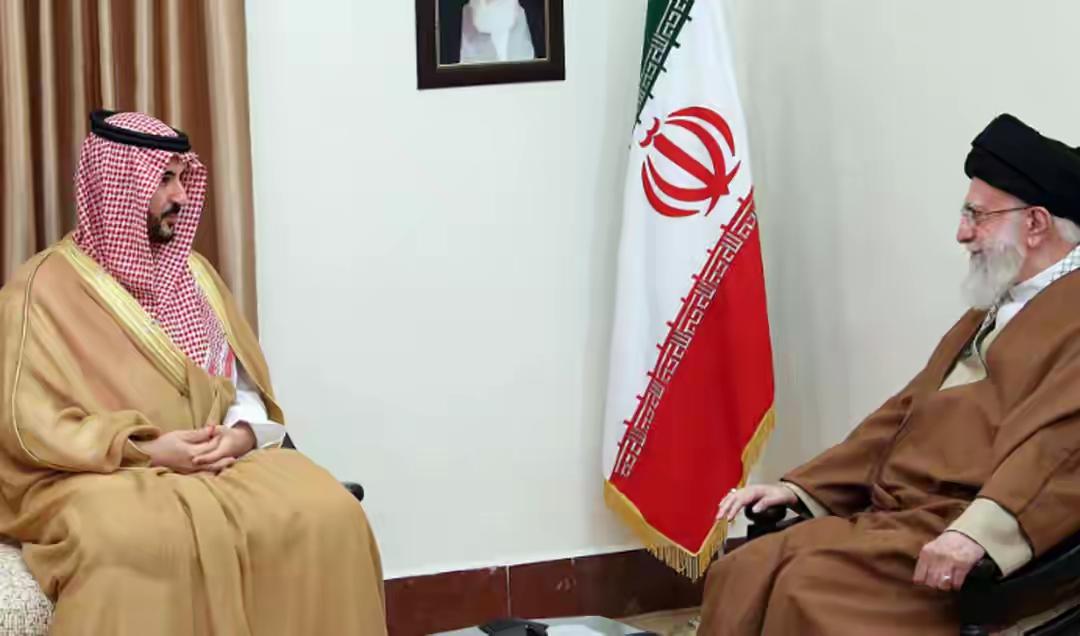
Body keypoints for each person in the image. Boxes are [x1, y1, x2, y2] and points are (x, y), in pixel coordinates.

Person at [0, 111, 386, 635]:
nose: (181, 195)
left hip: (214, 462)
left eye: (184, 177)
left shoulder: (194, 276)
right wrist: (150, 451)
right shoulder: (39, 291)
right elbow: (28, 426)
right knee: (130, 542)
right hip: (96, 475)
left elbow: (238, 383)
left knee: (330, 512)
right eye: (165, 178)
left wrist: (240, 435)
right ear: (117, 184)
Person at [700, 113, 1080, 635]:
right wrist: (803, 489)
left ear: (1035, 224)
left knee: (807, 589)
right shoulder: (1000, 303)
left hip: (960, 527)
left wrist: (979, 531)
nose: (962, 233)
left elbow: (1061, 446)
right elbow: (905, 414)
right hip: (904, 515)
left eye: (978, 215)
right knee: (744, 568)